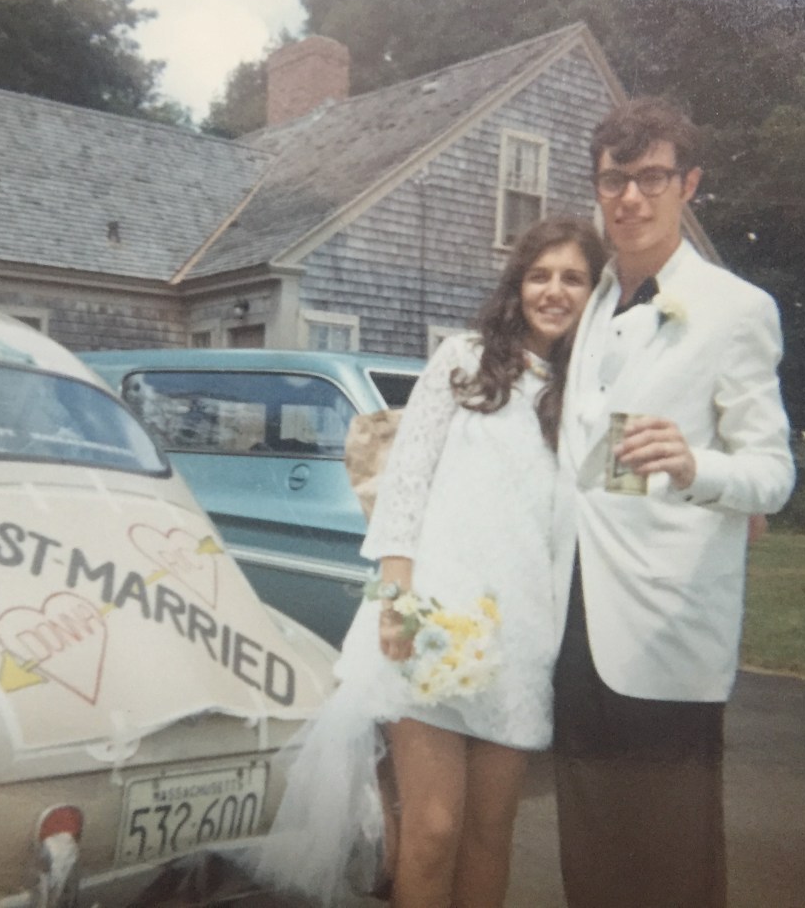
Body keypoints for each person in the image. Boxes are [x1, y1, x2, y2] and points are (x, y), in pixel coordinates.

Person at [250, 216, 605, 908]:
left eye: (574, 278)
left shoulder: (590, 394)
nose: (554, 291)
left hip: (522, 634)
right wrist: (397, 600)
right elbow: (405, 483)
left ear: (595, 293)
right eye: (541, 275)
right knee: (435, 827)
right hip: (432, 624)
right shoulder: (464, 360)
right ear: (517, 284)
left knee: (489, 833)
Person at [551, 97, 796, 908]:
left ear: (688, 184)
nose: (630, 197)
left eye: (651, 177)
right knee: (589, 840)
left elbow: (773, 472)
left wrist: (697, 466)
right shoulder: (587, 304)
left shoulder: (735, 309)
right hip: (577, 618)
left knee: (669, 858)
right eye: (614, 179)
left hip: (666, 626)